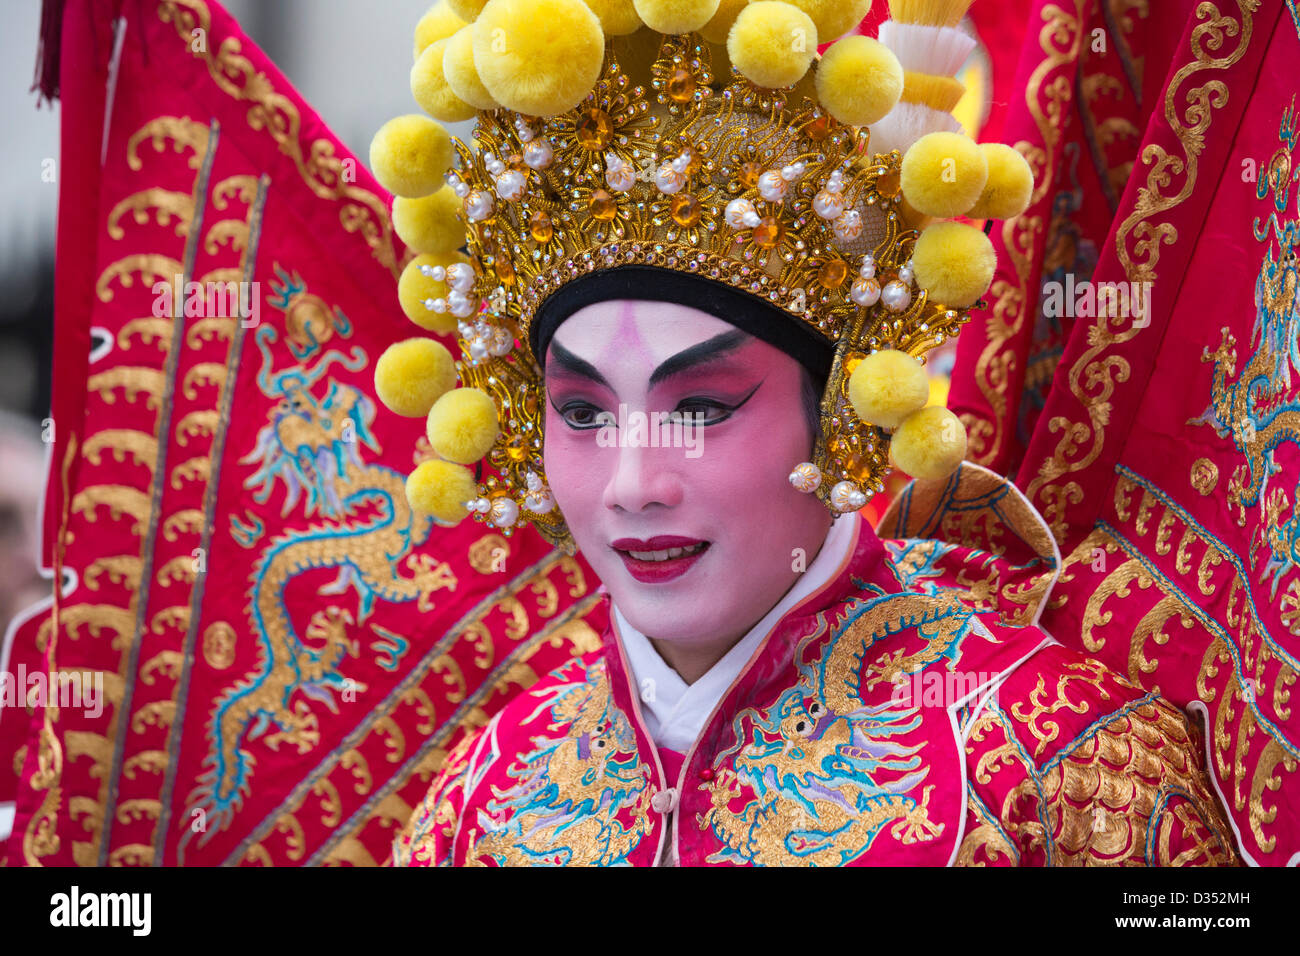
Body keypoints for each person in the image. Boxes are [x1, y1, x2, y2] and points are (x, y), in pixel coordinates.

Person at [364, 0, 1239, 865]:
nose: (633, 483)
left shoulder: (1049, 763)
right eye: (584, 414)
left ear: (838, 418)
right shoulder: (487, 794)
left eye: (701, 410)